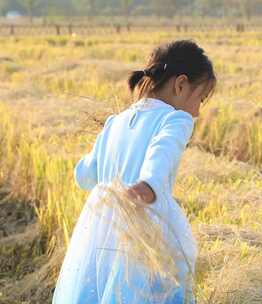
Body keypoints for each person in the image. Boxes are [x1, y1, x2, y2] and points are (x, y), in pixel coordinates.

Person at [52, 39, 216, 304]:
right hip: (145, 231)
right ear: (181, 84)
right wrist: (149, 185)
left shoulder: (115, 122)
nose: (197, 111)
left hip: (102, 230)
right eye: (200, 99)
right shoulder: (175, 119)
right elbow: (163, 152)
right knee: (145, 292)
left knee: (100, 289)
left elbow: (84, 175)